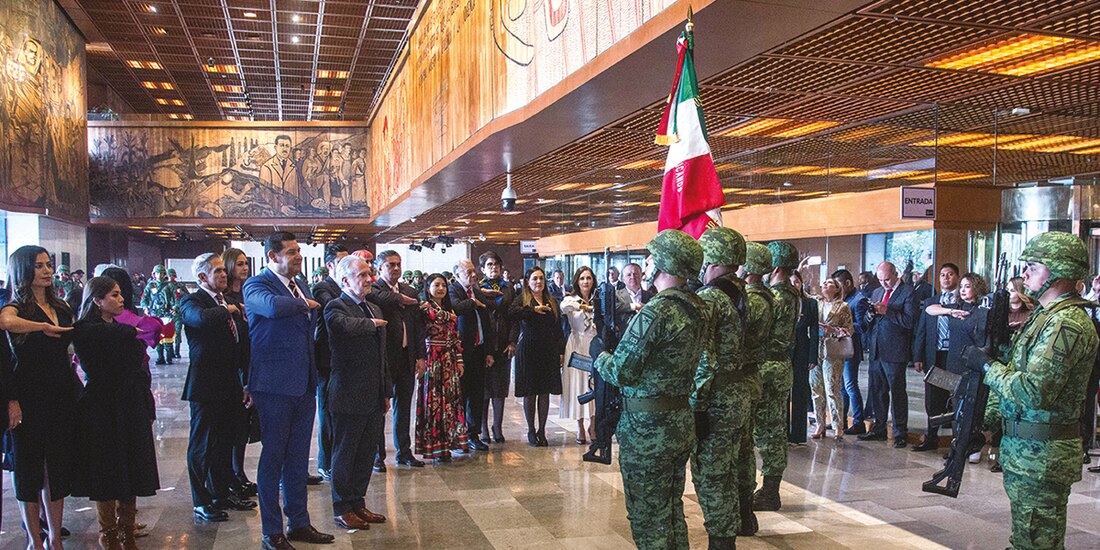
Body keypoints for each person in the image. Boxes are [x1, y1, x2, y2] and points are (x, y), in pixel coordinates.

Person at [965, 232, 1098, 550]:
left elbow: (1034, 391)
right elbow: (1016, 374)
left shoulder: (1067, 324)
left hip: (1043, 456)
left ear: (1059, 271)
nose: (1024, 274)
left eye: (1033, 266)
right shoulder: (1043, 317)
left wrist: (985, 367)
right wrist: (985, 422)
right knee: (1027, 538)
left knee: (1037, 542)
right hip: (1026, 452)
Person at [592, 229, 706, 549]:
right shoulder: (697, 308)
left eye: (652, 258)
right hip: (679, 421)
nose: (647, 263)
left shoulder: (656, 311)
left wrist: (598, 354)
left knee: (647, 516)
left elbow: (622, 371)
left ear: (664, 265)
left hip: (647, 430)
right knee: (670, 509)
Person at [243, 232, 333, 550]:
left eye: (298, 251)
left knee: (297, 459)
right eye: (291, 252)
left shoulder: (301, 283)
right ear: (272, 256)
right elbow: (269, 308)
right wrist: (301, 304)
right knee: (273, 459)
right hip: (273, 386)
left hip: (304, 385)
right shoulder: (256, 285)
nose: (297, 256)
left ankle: (299, 523)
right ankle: (271, 532)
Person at [71, 276, 160, 549]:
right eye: (114, 295)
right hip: (102, 406)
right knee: (107, 469)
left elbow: (138, 355)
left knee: (131, 466)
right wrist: (135, 329)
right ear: (97, 300)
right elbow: (119, 338)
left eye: (121, 294)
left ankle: (128, 531)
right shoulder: (88, 328)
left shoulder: (121, 327)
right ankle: (108, 533)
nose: (121, 300)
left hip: (130, 403)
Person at [0, 246, 78, 550]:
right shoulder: (16, 307)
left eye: (48, 265)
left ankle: (54, 537)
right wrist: (42, 327)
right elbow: (6, 323)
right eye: (39, 265)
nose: (47, 271)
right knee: (29, 468)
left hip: (60, 393)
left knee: (55, 467)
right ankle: (34, 539)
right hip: (27, 395)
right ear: (24, 270)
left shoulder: (61, 306)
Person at [179, 253, 254, 524]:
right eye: (218, 271)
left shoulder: (229, 301)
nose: (224, 274)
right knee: (203, 445)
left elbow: (242, 343)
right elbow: (199, 319)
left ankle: (221, 493)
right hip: (205, 385)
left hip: (230, 383)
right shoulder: (192, 300)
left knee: (225, 442)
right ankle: (201, 500)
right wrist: (230, 310)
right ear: (202, 277)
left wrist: (247, 381)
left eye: (224, 270)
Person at [691, 227, 748, 549]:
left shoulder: (711, 297)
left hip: (716, 396)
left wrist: (696, 403)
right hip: (738, 390)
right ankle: (733, 527)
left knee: (712, 473)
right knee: (729, 466)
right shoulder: (747, 291)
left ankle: (721, 541)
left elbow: (704, 357)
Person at [323, 255, 388, 530]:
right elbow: (343, 327)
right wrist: (371, 325)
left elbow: (382, 356)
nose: (369, 279)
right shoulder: (335, 306)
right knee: (345, 453)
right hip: (348, 393)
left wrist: (386, 392)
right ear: (345, 280)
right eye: (362, 275)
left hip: (374, 394)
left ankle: (358, 502)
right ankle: (342, 507)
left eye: (369, 274)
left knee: (365, 453)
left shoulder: (374, 307)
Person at [751, 240, 800, 512]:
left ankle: (770, 491)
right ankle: (770, 488)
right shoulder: (790, 293)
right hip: (779, 366)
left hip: (769, 367)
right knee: (773, 429)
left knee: (770, 432)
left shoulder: (778, 296)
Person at [923, 272, 990, 462]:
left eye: (967, 286)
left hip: (973, 364)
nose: (963, 290)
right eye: (961, 286)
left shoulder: (982, 312)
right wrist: (950, 311)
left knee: (973, 407)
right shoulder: (955, 307)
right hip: (954, 362)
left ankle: (973, 444)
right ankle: (958, 445)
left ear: (976, 288)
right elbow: (930, 309)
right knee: (956, 406)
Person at [369, 251, 427, 470]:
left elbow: (418, 328)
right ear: (380, 268)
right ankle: (377, 456)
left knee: (404, 407)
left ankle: (404, 451)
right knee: (380, 408)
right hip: (384, 358)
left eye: (398, 264)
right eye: (390, 265)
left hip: (406, 356)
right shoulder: (375, 290)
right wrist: (400, 298)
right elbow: (377, 297)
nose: (395, 268)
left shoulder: (410, 290)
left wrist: (421, 356)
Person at [859, 261, 919, 448]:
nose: (884, 283)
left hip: (895, 350)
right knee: (877, 390)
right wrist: (870, 315)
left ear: (896, 275)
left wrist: (888, 311)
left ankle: (900, 431)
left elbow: (910, 321)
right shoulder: (877, 292)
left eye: (887, 279)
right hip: (876, 348)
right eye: (880, 280)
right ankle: (879, 427)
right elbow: (868, 321)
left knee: (897, 391)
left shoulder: (908, 292)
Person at [735, 242, 773, 536]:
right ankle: (744, 509)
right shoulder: (765, 296)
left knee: (742, 450)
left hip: (743, 376)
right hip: (751, 376)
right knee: (745, 448)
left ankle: (742, 510)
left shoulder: (752, 300)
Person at [416, 273, 469, 462]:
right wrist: (451, 316)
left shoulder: (447, 308)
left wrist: (460, 360)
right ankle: (435, 446)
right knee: (434, 401)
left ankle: (448, 444)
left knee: (450, 401)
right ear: (428, 287)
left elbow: (456, 336)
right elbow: (436, 315)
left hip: (449, 358)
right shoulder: (425, 306)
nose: (441, 288)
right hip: (432, 358)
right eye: (436, 285)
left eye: (444, 285)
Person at [509, 266, 564, 446]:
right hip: (529, 349)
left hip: (548, 349)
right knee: (530, 392)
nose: (538, 282)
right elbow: (511, 313)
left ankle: (542, 429)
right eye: (534, 279)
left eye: (541, 278)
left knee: (545, 392)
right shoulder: (523, 299)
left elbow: (558, 329)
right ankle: (531, 430)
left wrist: (561, 351)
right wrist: (532, 311)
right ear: (527, 282)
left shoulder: (552, 301)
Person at [910, 263, 960, 452]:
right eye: (942, 275)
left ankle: (956, 443)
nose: (946, 278)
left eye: (950, 274)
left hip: (953, 356)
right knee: (932, 400)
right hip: (934, 355)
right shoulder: (932, 302)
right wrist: (918, 356)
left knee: (955, 399)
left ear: (956, 277)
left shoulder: (961, 301)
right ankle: (931, 438)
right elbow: (921, 331)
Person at [222, 247, 258, 499]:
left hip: (251, 361)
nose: (244, 268)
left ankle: (240, 473)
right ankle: (232, 475)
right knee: (233, 425)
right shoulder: (226, 300)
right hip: (232, 367)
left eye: (246, 264)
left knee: (244, 425)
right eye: (240, 264)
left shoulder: (250, 293)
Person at [311, 244, 348, 482]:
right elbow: (333, 308)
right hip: (326, 358)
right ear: (331, 265)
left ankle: (339, 459)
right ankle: (325, 462)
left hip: (345, 358)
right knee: (326, 411)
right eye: (343, 262)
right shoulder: (323, 288)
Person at [449, 259, 493, 451]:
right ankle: (458, 436)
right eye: (468, 272)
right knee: (461, 394)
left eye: (474, 271)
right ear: (457, 275)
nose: (473, 275)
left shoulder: (477, 291)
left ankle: (473, 434)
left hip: (479, 350)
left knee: (476, 394)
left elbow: (487, 323)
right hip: (461, 352)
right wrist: (473, 302)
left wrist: (489, 351)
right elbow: (456, 308)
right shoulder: (453, 290)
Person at [478, 252, 514, 443]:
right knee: (484, 389)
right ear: (483, 269)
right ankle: (483, 427)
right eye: (490, 265)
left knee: (500, 388)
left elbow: (513, 316)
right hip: (484, 344)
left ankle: (497, 427)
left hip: (503, 344)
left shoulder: (508, 288)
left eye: (497, 265)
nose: (494, 268)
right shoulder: (477, 288)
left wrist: (512, 341)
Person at [560, 266, 598, 443]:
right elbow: (563, 306)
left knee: (595, 385)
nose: (586, 282)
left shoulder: (598, 298)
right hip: (576, 345)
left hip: (595, 345)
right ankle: (580, 425)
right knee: (578, 385)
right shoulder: (571, 299)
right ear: (577, 281)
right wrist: (583, 306)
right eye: (582, 278)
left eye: (589, 278)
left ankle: (594, 424)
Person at [812, 277, 853, 440]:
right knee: (816, 388)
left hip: (833, 350)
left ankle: (837, 426)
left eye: (830, 283)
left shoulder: (843, 306)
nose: (825, 285)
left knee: (832, 388)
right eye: (824, 283)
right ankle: (819, 424)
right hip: (816, 349)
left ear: (837, 288)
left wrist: (833, 330)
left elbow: (850, 329)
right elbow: (802, 292)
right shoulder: (817, 302)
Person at [832, 270, 870, 435]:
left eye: (838, 285)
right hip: (841, 349)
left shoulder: (858, 300)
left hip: (851, 349)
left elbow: (863, 326)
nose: (836, 289)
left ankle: (858, 421)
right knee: (841, 387)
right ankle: (841, 421)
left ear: (847, 283)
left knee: (850, 386)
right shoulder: (843, 299)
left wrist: (844, 327)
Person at [789, 270, 818, 444]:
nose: (794, 285)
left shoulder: (810, 304)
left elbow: (814, 331)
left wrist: (812, 357)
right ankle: (783, 433)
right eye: (791, 282)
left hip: (802, 350)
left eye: (797, 282)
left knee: (800, 392)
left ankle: (799, 435)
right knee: (783, 394)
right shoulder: (780, 301)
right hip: (784, 351)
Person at [140, 265, 176, 365]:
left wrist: (174, 308)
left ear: (164, 274)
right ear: (154, 274)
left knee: (168, 336)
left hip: (167, 314)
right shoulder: (150, 286)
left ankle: (169, 357)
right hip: (154, 314)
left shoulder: (169, 286)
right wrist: (145, 307)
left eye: (161, 273)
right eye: (157, 273)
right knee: (157, 336)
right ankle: (160, 357)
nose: (159, 275)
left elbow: (175, 299)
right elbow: (144, 299)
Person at [165, 268, 189, 359]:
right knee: (168, 332)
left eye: (172, 275)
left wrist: (181, 292)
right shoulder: (164, 286)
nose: (171, 277)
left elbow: (188, 296)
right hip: (168, 313)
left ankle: (177, 351)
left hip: (178, 312)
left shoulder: (180, 285)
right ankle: (169, 352)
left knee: (178, 332)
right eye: (169, 275)